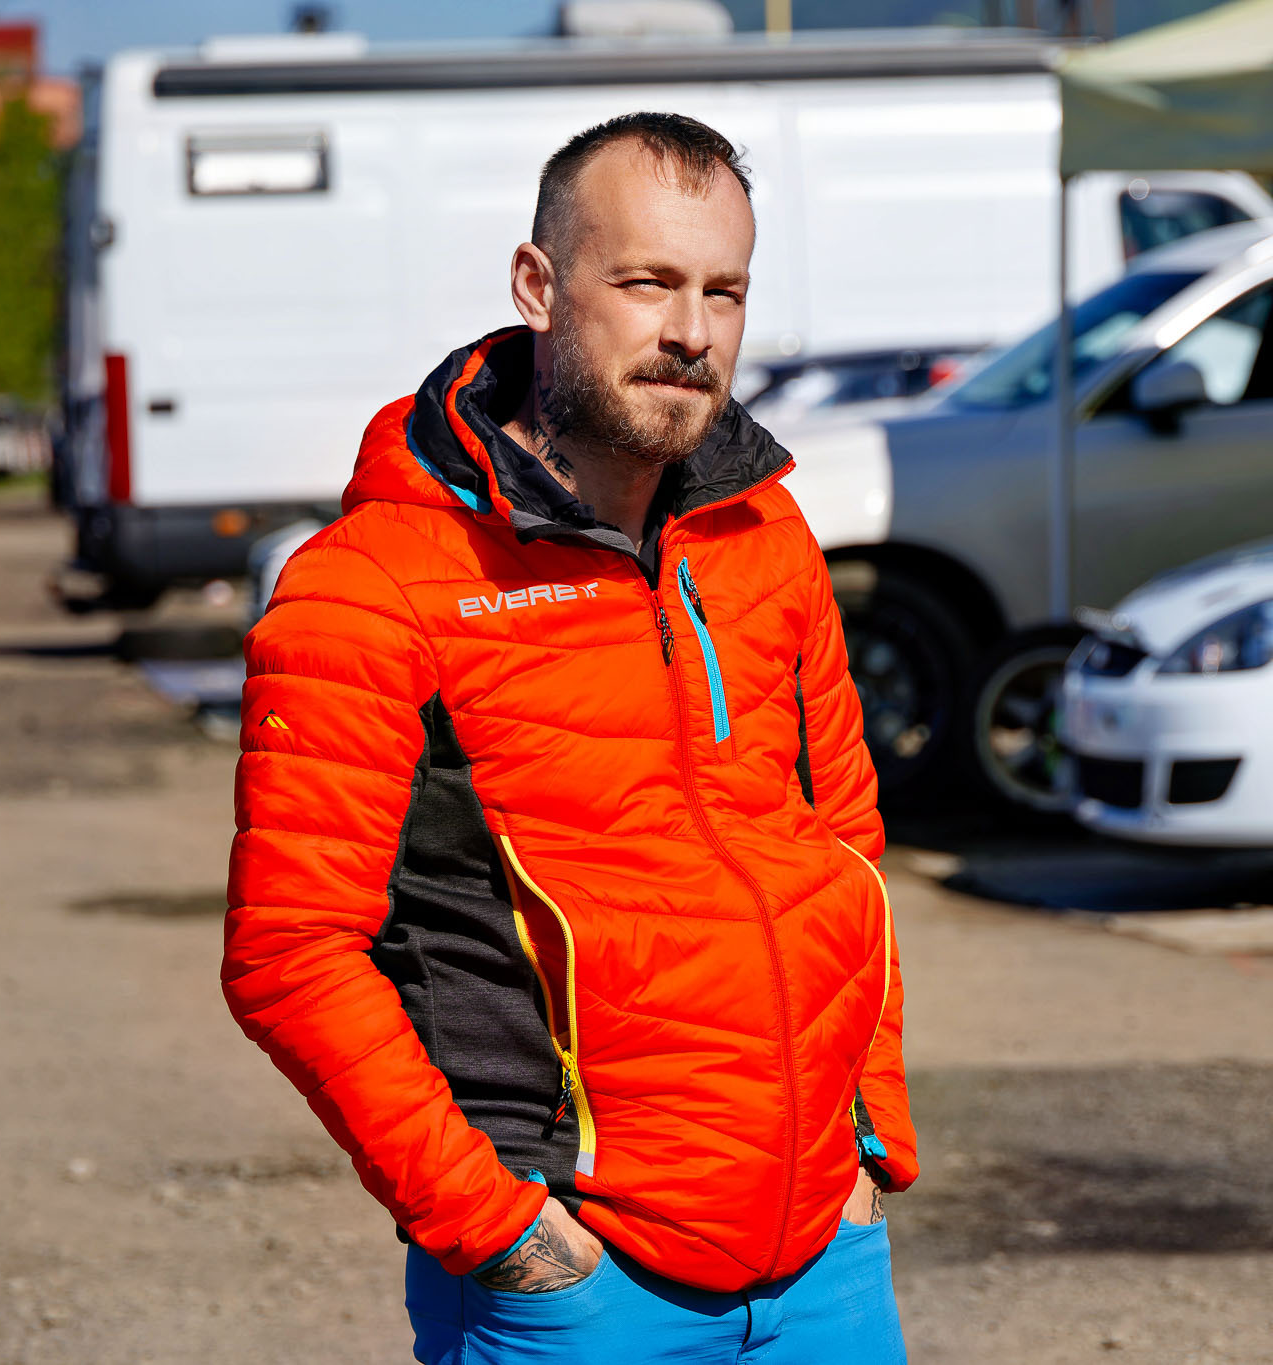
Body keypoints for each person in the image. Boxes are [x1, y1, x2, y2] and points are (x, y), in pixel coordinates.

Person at [221, 112, 916, 1363]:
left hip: (825, 1263)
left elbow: (842, 845)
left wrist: (867, 1144)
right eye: (646, 282)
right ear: (537, 286)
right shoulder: (371, 586)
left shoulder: (765, 538)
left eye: (722, 292)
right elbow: (290, 953)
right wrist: (503, 1236)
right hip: (575, 1287)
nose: (690, 331)